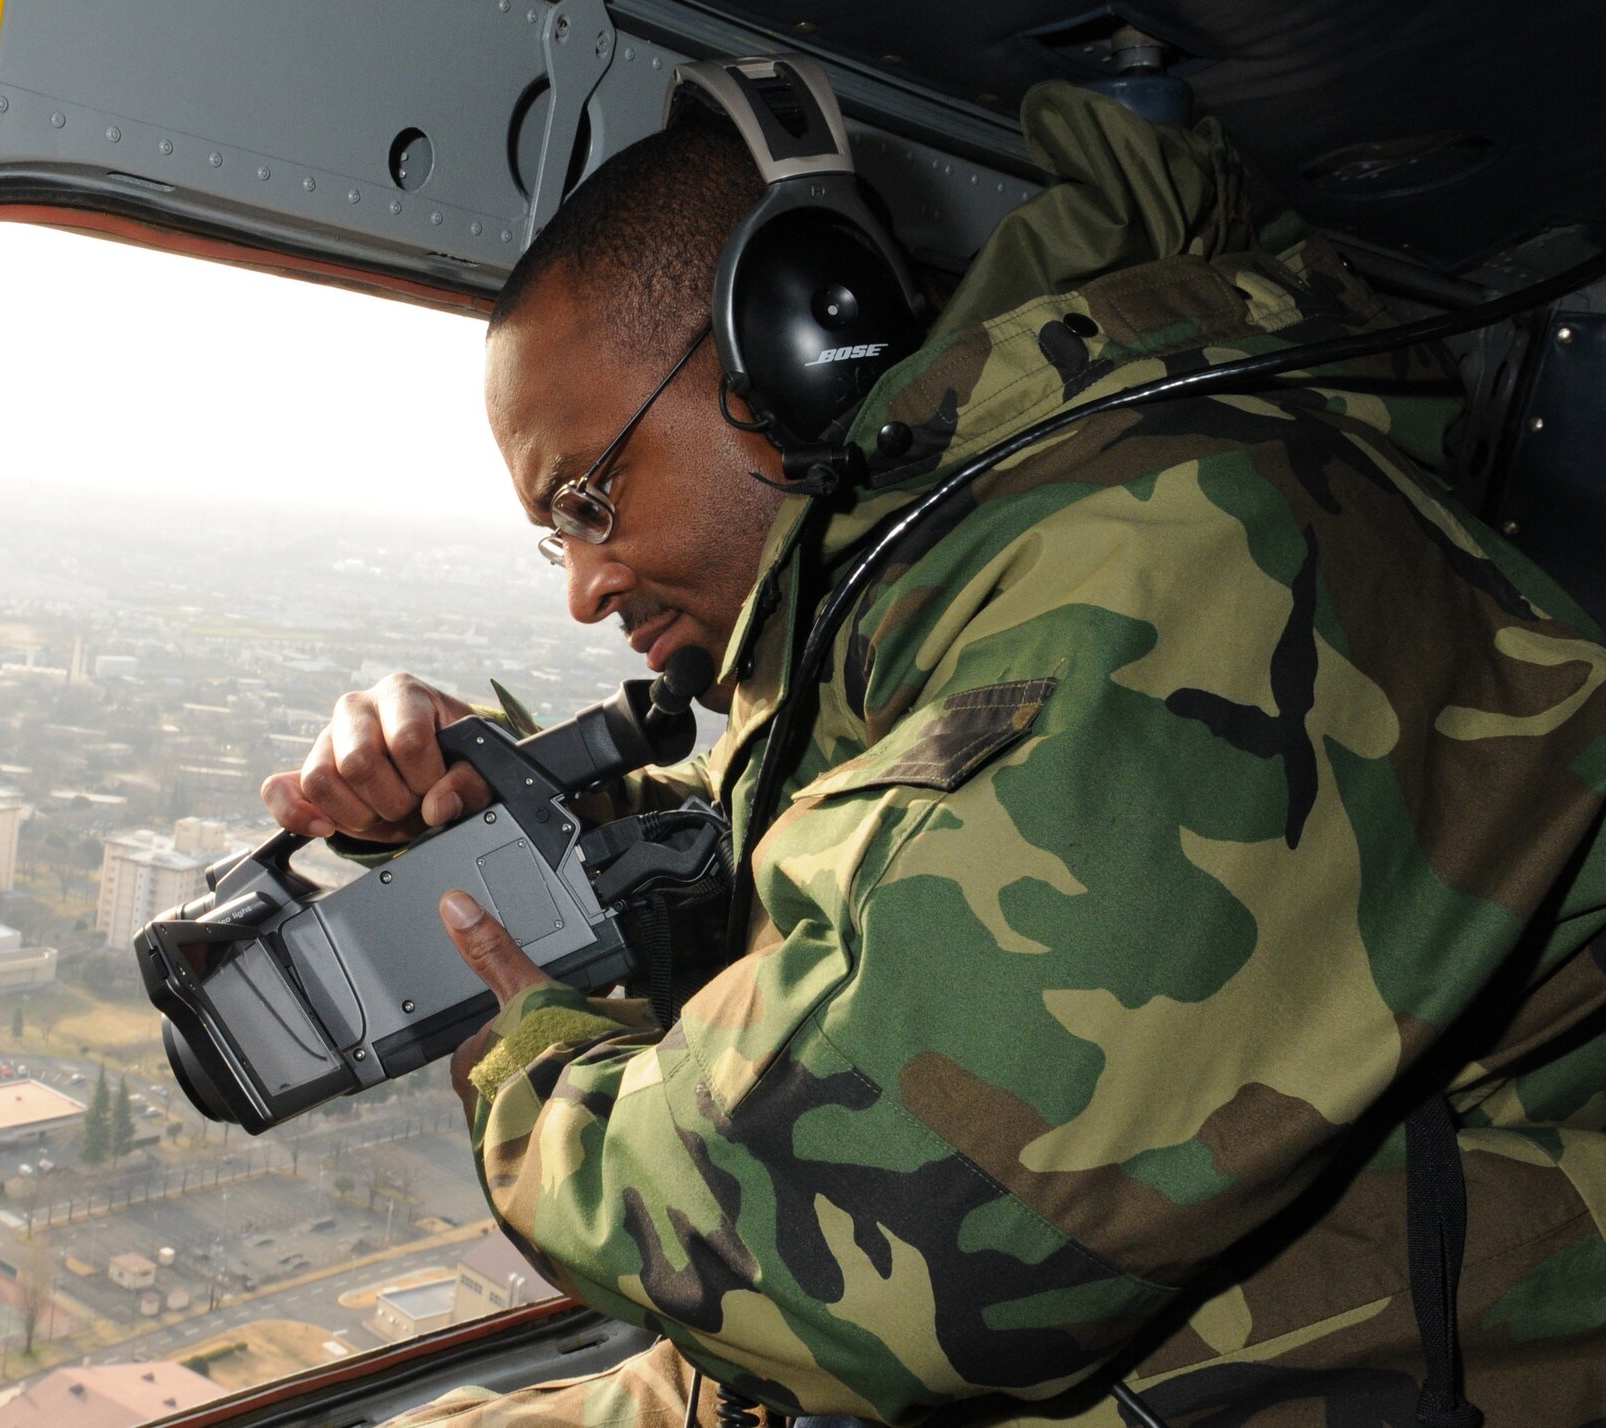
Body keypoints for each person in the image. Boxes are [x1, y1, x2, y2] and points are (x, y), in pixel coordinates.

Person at [262, 79, 1606, 1426]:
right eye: (559, 535)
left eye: (591, 498)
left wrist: (535, 1067)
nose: (585, 586)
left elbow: (861, 1251)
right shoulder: (958, 573)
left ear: (787, 351)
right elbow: (848, 837)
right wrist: (505, 795)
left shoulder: (1180, 564)